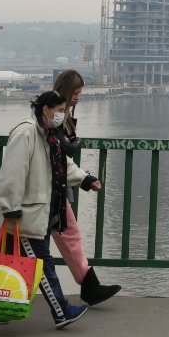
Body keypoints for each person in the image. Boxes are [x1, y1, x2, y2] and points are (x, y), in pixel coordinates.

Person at [0, 90, 101, 329]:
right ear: (45, 109)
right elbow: (12, 174)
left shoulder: (48, 134)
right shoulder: (26, 133)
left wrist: (85, 179)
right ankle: (62, 311)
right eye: (58, 111)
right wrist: (11, 210)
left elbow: (62, 164)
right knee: (42, 265)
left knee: (9, 264)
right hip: (25, 213)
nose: (60, 115)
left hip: (38, 210)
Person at [47, 69, 121, 307]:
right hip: (51, 188)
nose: (79, 97)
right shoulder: (54, 117)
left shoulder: (54, 114)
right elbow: (56, 153)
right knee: (68, 235)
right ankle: (86, 289)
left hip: (51, 186)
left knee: (26, 242)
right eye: (76, 93)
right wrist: (84, 177)